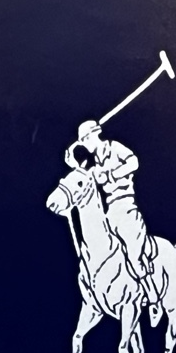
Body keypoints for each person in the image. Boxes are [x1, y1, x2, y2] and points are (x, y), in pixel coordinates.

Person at [64, 120, 161, 312]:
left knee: (133, 256)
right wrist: (73, 163)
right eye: (82, 141)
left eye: (86, 139)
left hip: (127, 208)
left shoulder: (114, 148)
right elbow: (83, 179)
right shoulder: (91, 163)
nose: (85, 144)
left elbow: (134, 162)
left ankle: (153, 296)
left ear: (94, 135)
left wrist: (110, 175)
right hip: (109, 212)